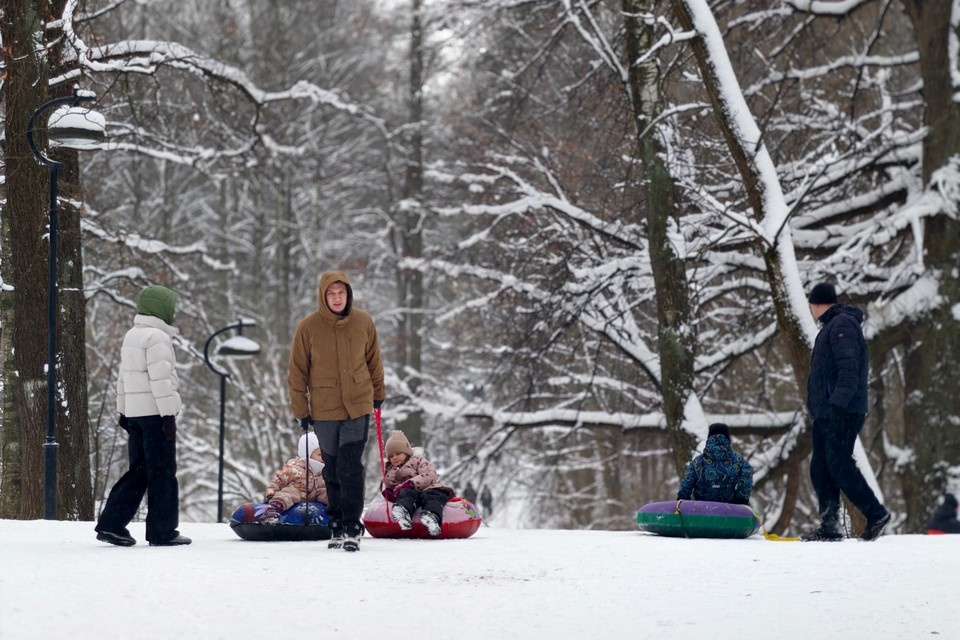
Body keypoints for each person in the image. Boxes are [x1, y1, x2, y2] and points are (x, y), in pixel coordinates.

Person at [288, 270, 385, 552]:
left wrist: (378, 394)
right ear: (323, 296)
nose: (337, 298)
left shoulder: (364, 322)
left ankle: (353, 525)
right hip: (325, 408)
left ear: (348, 294)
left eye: (341, 293)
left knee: (350, 465)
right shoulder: (308, 328)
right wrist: (301, 409)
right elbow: (297, 372)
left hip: (357, 404)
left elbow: (374, 361)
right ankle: (337, 524)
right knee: (332, 469)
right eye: (331, 293)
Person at [95, 285, 191, 547]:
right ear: (160, 308)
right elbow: (160, 380)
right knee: (162, 473)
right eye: (170, 306)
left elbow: (123, 378)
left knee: (139, 471)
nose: (173, 311)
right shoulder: (157, 337)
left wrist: (123, 411)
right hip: (155, 414)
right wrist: (168, 415)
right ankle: (162, 531)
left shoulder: (133, 335)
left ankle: (111, 524)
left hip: (136, 415)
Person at [803, 281, 890, 541]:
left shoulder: (841, 325)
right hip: (826, 412)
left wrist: (837, 404)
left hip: (841, 410)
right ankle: (829, 526)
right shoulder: (832, 326)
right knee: (821, 467)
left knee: (838, 463)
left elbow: (848, 368)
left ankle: (875, 513)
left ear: (815, 305)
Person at [381, 430, 454, 537]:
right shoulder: (391, 470)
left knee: (432, 496)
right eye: (391, 456)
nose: (394, 458)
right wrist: (388, 489)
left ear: (406, 451)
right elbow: (387, 486)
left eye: (398, 454)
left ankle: (432, 517)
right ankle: (403, 513)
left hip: (428, 488)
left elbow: (430, 474)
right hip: (410, 493)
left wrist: (411, 483)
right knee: (405, 494)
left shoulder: (417, 460)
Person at [676, 423, 753, 505]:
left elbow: (687, 484)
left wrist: (682, 500)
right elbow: (746, 478)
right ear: (728, 438)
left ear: (709, 438)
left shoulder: (697, 462)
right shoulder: (738, 460)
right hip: (729, 511)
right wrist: (741, 500)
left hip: (702, 510)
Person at [261, 433, 329, 524]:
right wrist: (271, 494)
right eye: (320, 454)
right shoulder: (295, 469)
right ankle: (274, 509)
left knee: (328, 493)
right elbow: (278, 481)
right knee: (290, 492)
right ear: (307, 454)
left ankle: (345, 512)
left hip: (315, 496)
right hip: (297, 494)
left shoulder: (326, 471)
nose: (324, 458)